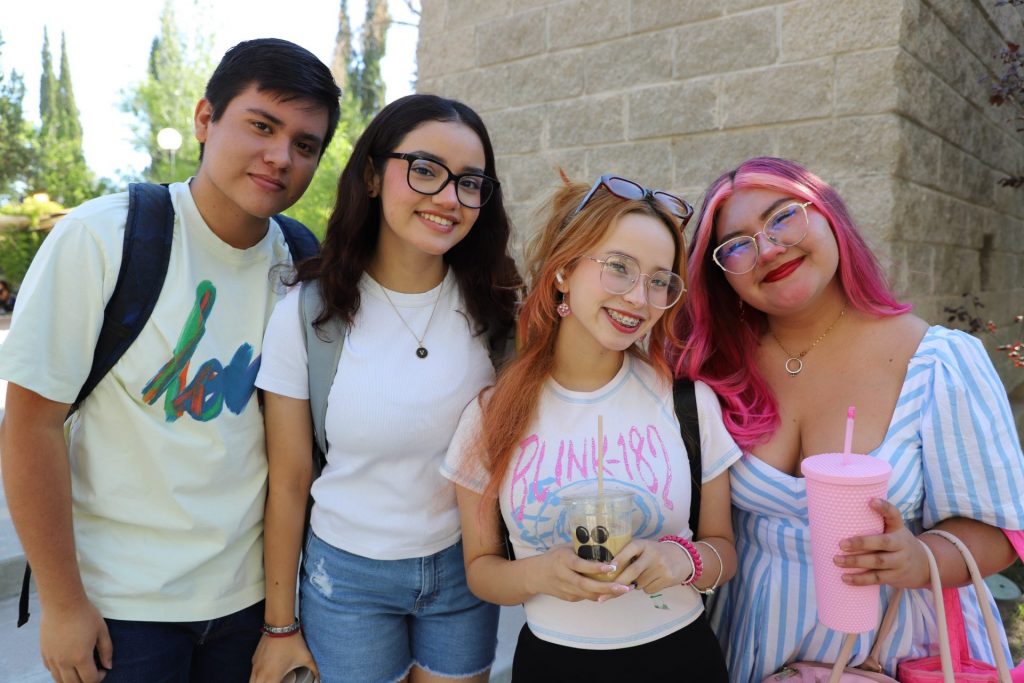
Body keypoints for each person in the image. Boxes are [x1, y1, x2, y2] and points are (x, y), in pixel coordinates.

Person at [0, 38, 340, 683]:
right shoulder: (104, 237)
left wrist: (283, 614)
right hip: (122, 608)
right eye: (261, 126)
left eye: (305, 144)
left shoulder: (302, 265)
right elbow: (29, 426)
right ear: (206, 118)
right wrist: (64, 604)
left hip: (251, 605)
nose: (281, 157)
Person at [676, 156, 1024, 682]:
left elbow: (997, 532)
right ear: (723, 277)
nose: (768, 249)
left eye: (783, 216)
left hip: (896, 649)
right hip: (751, 643)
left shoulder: (937, 361)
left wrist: (918, 557)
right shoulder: (717, 372)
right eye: (737, 246)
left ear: (829, 215)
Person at [251, 93, 521, 683]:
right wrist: (279, 626)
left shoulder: (499, 311)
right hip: (347, 579)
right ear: (372, 176)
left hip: (466, 567)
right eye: (424, 170)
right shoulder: (308, 313)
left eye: (469, 182)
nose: (448, 198)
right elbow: (289, 482)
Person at [442, 173, 742, 680]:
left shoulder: (687, 404)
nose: (639, 298)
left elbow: (724, 550)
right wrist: (539, 573)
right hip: (553, 663)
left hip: (681, 658)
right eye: (619, 267)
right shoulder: (491, 416)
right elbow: (481, 571)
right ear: (563, 270)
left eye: (659, 281)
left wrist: (682, 561)